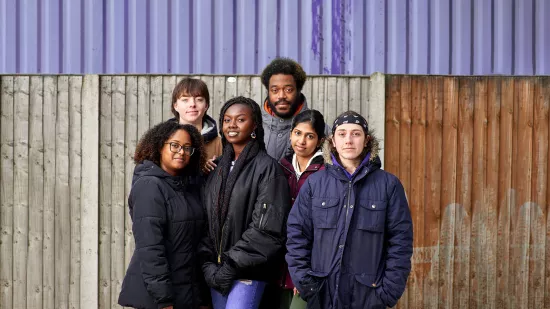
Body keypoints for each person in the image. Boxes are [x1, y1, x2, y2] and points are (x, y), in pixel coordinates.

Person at [286, 111, 413, 309]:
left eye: (356, 134)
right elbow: (297, 235)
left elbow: (400, 242)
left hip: (368, 296)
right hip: (321, 293)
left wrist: (388, 292)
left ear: (366, 140)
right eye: (342, 134)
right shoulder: (315, 184)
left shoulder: (389, 185)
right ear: (333, 141)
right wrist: (305, 283)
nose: (349, 140)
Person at [199, 96, 292, 309]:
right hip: (216, 272)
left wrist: (231, 265)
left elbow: (268, 229)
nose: (232, 125)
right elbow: (204, 219)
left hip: (248, 272)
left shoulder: (268, 169)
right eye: (227, 120)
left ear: (254, 125)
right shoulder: (216, 169)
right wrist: (208, 265)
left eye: (240, 120)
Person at [118, 121, 207, 309]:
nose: (181, 152)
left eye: (187, 148)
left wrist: (201, 297)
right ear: (159, 146)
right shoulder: (150, 186)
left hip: (187, 294)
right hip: (158, 299)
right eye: (174, 145)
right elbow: (151, 248)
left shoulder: (187, 187)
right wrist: (164, 300)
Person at [278, 110, 326, 309]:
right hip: (278, 264)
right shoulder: (281, 167)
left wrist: (303, 272)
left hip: (308, 265)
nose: (302, 141)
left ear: (320, 140)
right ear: (290, 134)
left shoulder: (326, 172)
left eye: (310, 136)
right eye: (298, 133)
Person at [261, 57, 319, 160]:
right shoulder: (252, 127)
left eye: (288, 90)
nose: (281, 96)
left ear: (298, 90)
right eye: (275, 90)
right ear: (268, 92)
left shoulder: (320, 128)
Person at [171, 77, 222, 172]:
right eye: (185, 100)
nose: (192, 104)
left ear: (206, 105)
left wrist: (215, 171)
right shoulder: (162, 140)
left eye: (199, 99)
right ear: (175, 106)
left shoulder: (220, 144)